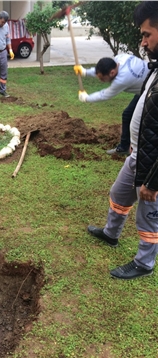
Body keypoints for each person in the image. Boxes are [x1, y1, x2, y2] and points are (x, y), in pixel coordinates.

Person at [87, 1, 158, 280]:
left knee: (149, 214)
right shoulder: (155, 67)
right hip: (139, 153)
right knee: (119, 194)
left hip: (152, 166)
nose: (143, 41)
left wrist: (153, 182)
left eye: (146, 34)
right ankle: (111, 233)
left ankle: (144, 263)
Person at [74, 54, 150, 155]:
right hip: (146, 87)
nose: (101, 80)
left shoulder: (122, 79)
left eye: (102, 79)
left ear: (112, 73)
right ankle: (126, 146)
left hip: (152, 91)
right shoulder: (119, 59)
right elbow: (102, 70)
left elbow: (104, 95)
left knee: (139, 118)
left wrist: (86, 98)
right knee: (128, 115)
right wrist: (85, 72)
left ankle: (132, 148)